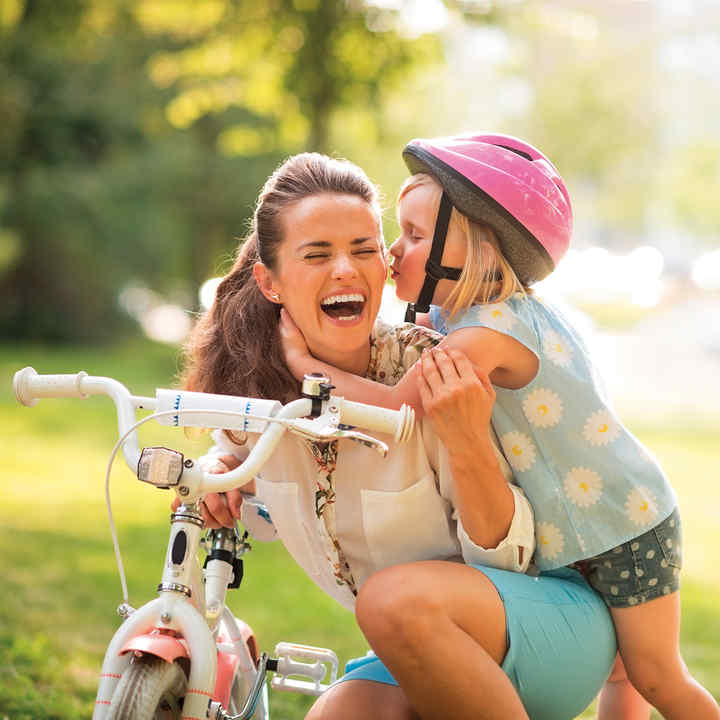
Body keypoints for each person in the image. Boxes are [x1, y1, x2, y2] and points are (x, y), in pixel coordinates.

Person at [280, 134, 720, 720]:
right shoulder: (460, 315)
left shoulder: (486, 332)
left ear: (476, 251)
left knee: (655, 676)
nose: (391, 252)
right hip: (580, 528)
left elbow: (394, 410)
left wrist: (302, 366)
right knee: (623, 672)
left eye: (413, 236)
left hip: (623, 528)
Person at [179, 152, 617, 720]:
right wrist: (220, 475)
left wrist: (465, 440)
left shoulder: (429, 372)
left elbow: (510, 559)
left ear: (384, 267)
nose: (345, 269)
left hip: (542, 627)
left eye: (364, 249)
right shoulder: (259, 399)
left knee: (389, 602)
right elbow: (253, 487)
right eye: (317, 254)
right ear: (270, 281)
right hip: (411, 644)